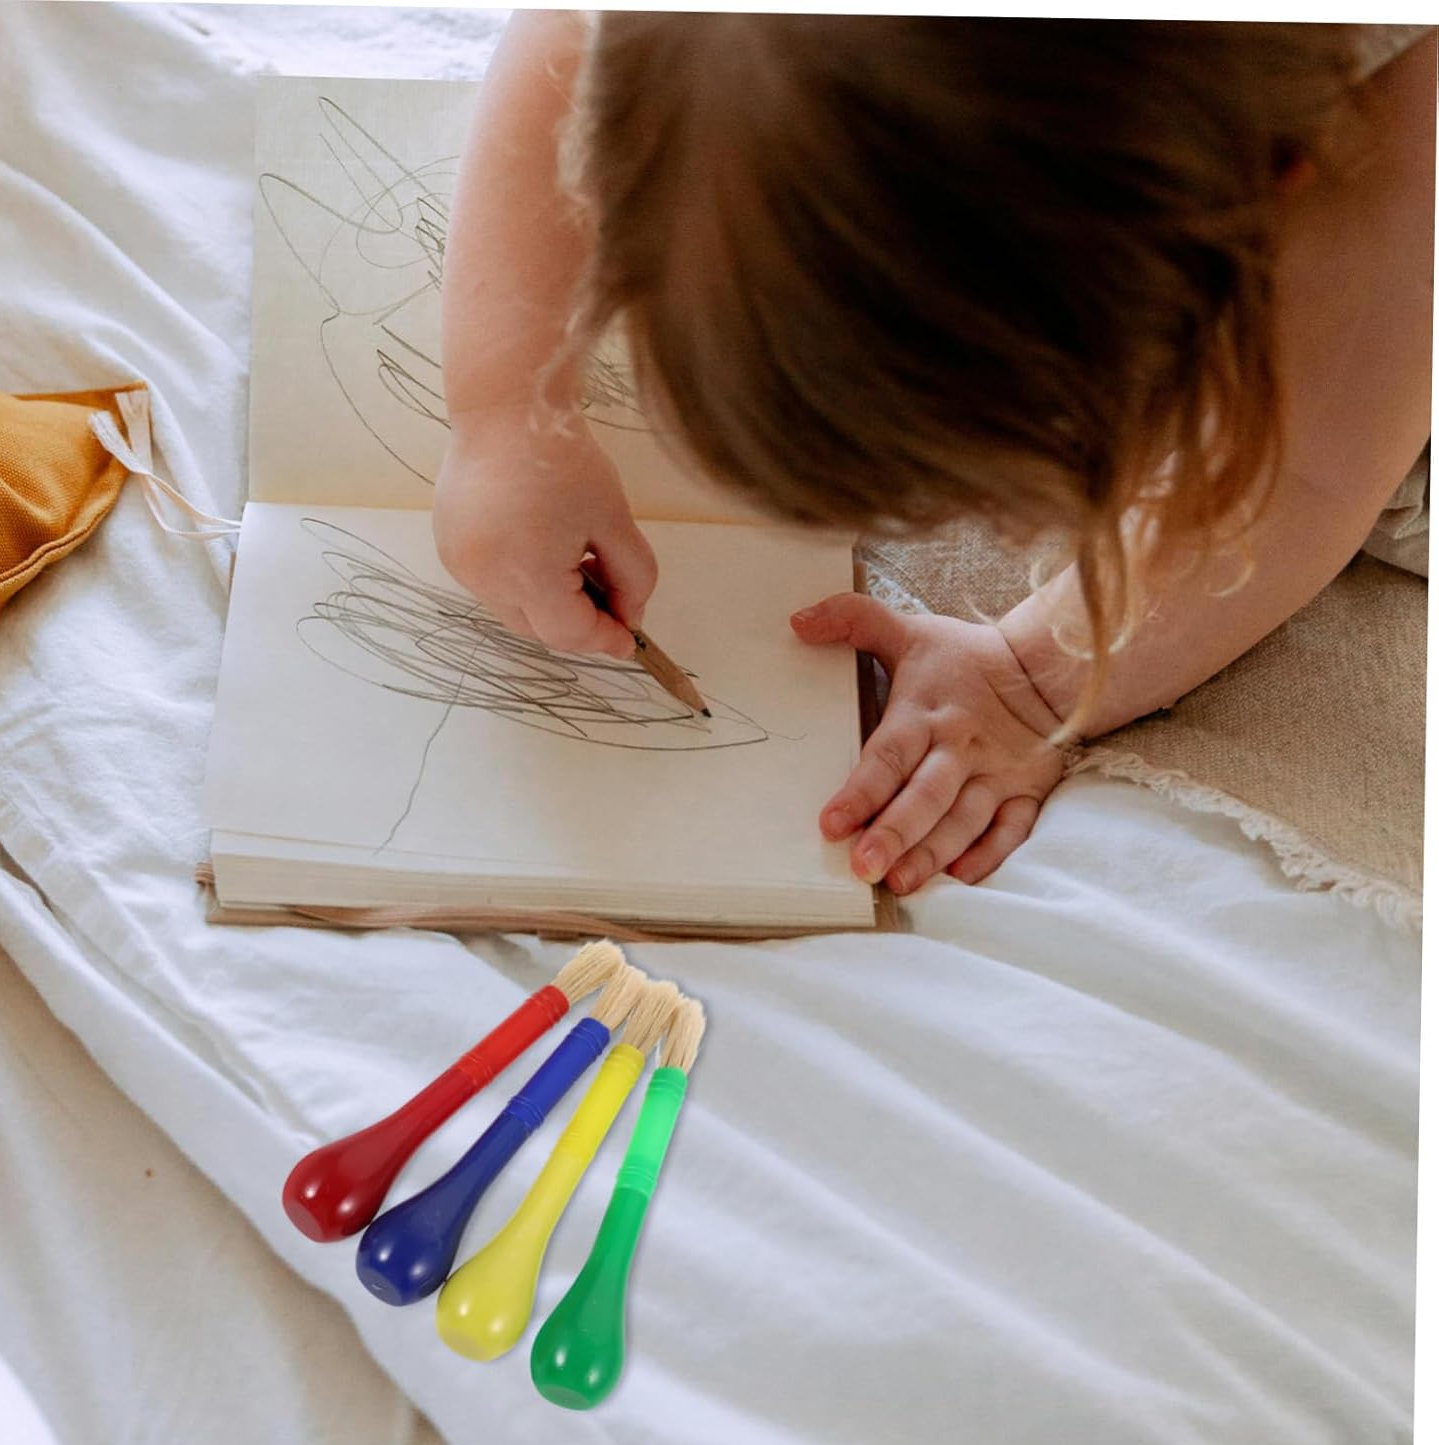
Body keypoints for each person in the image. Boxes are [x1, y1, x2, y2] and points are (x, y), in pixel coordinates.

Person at [432, 13, 1433, 896]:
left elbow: (1313, 466)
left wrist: (1033, 678)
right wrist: (506, 411)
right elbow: (564, 36)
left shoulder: (1382, 102)